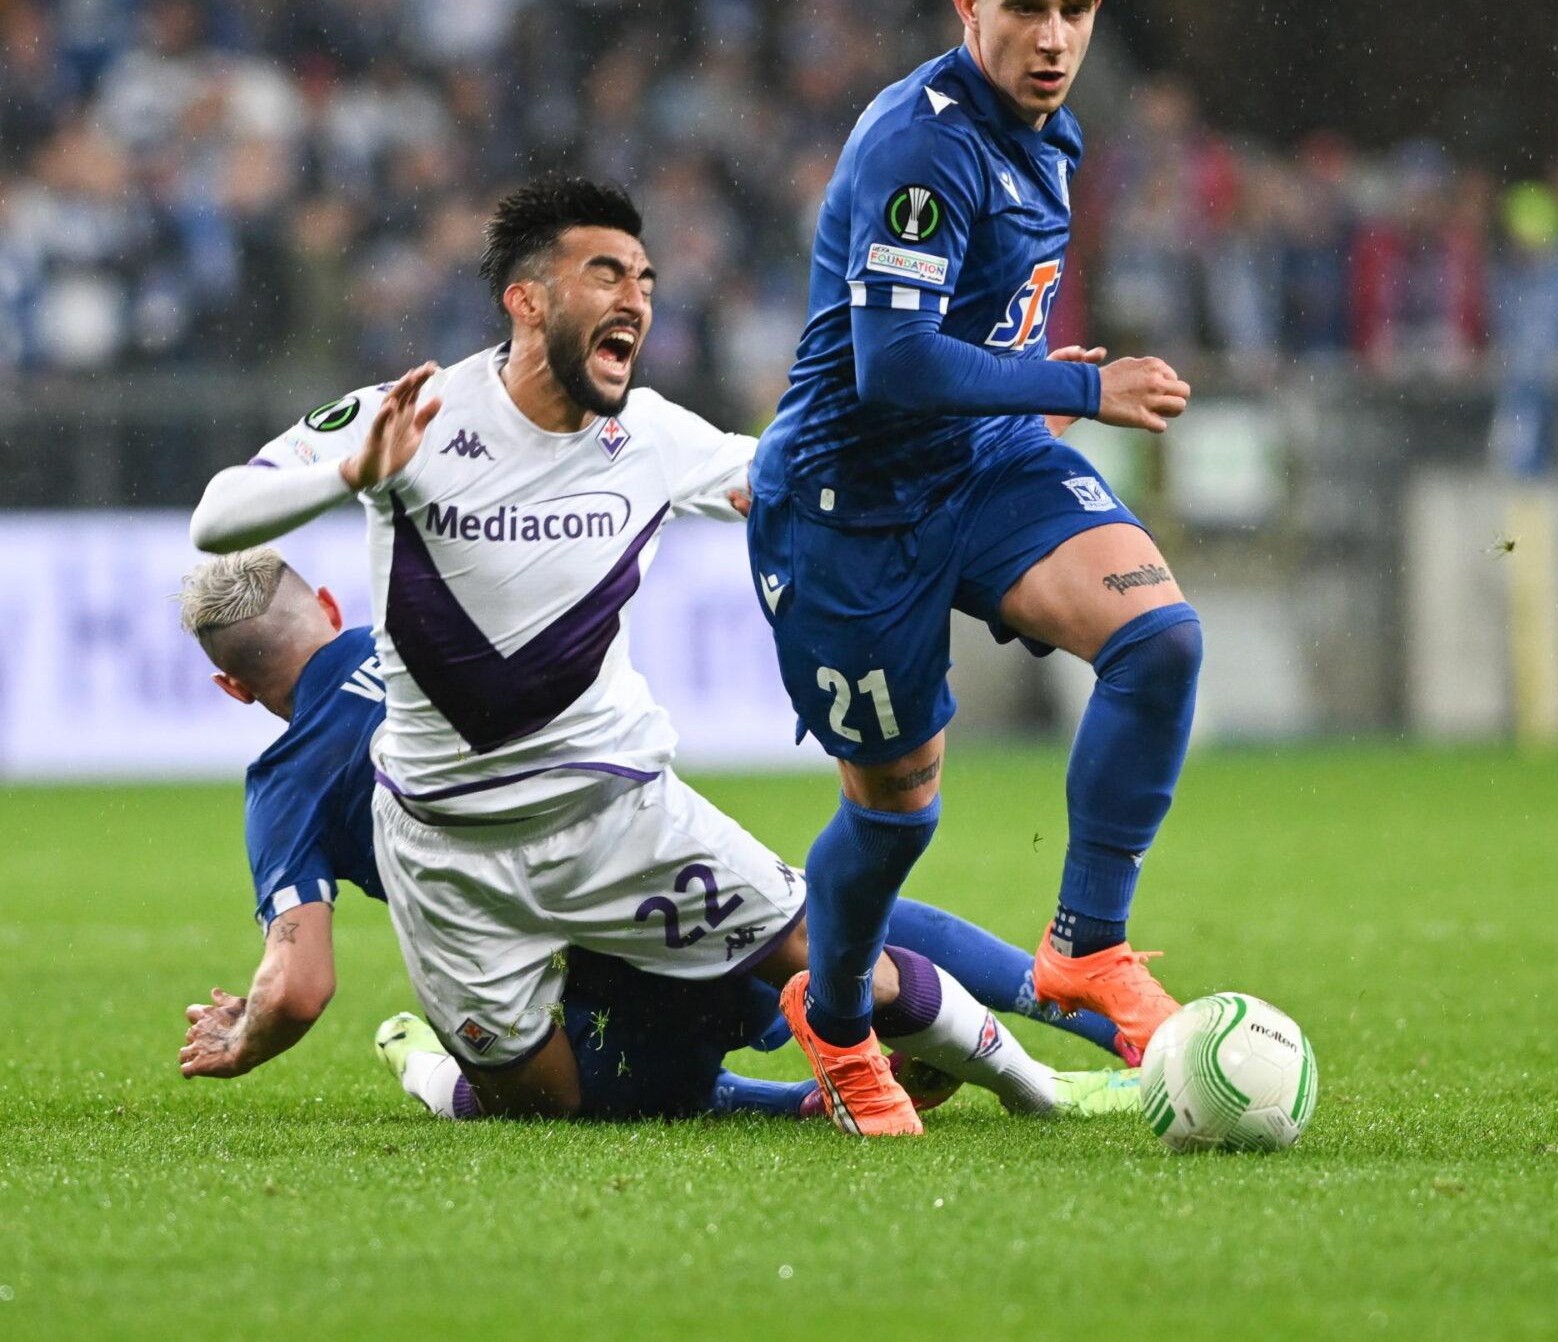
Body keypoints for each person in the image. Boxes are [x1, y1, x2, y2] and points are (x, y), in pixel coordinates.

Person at [181, 177, 1049, 1121]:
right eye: (605, 273)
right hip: (445, 855)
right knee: (546, 1105)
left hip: (618, 812)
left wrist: (981, 447)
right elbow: (218, 514)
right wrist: (355, 471)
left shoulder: (652, 435)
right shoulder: (415, 416)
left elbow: (793, 482)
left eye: (644, 277)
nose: (636, 295)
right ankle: (434, 1064)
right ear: (528, 299)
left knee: (845, 960)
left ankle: (1045, 1089)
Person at [748, 0, 1203, 1137]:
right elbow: (889, 365)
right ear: (969, 5)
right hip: (847, 510)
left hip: (981, 460)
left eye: (1075, 10)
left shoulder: (1050, 134)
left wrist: (1033, 402)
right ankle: (837, 1025)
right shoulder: (919, 146)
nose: (1051, 37)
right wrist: (1081, 384)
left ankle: (1084, 947)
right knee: (897, 813)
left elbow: (978, 322)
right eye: (1023, 8)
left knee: (1158, 641)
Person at [170, 547, 1134, 1121]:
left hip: (567, 960)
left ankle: (423, 1060)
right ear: (331, 607)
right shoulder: (424, 631)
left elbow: (297, 985)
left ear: (236, 688)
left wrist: (245, 1035)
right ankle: (1102, 1033)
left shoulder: (284, 787)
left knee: (535, 1098)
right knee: (821, 920)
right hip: (640, 851)